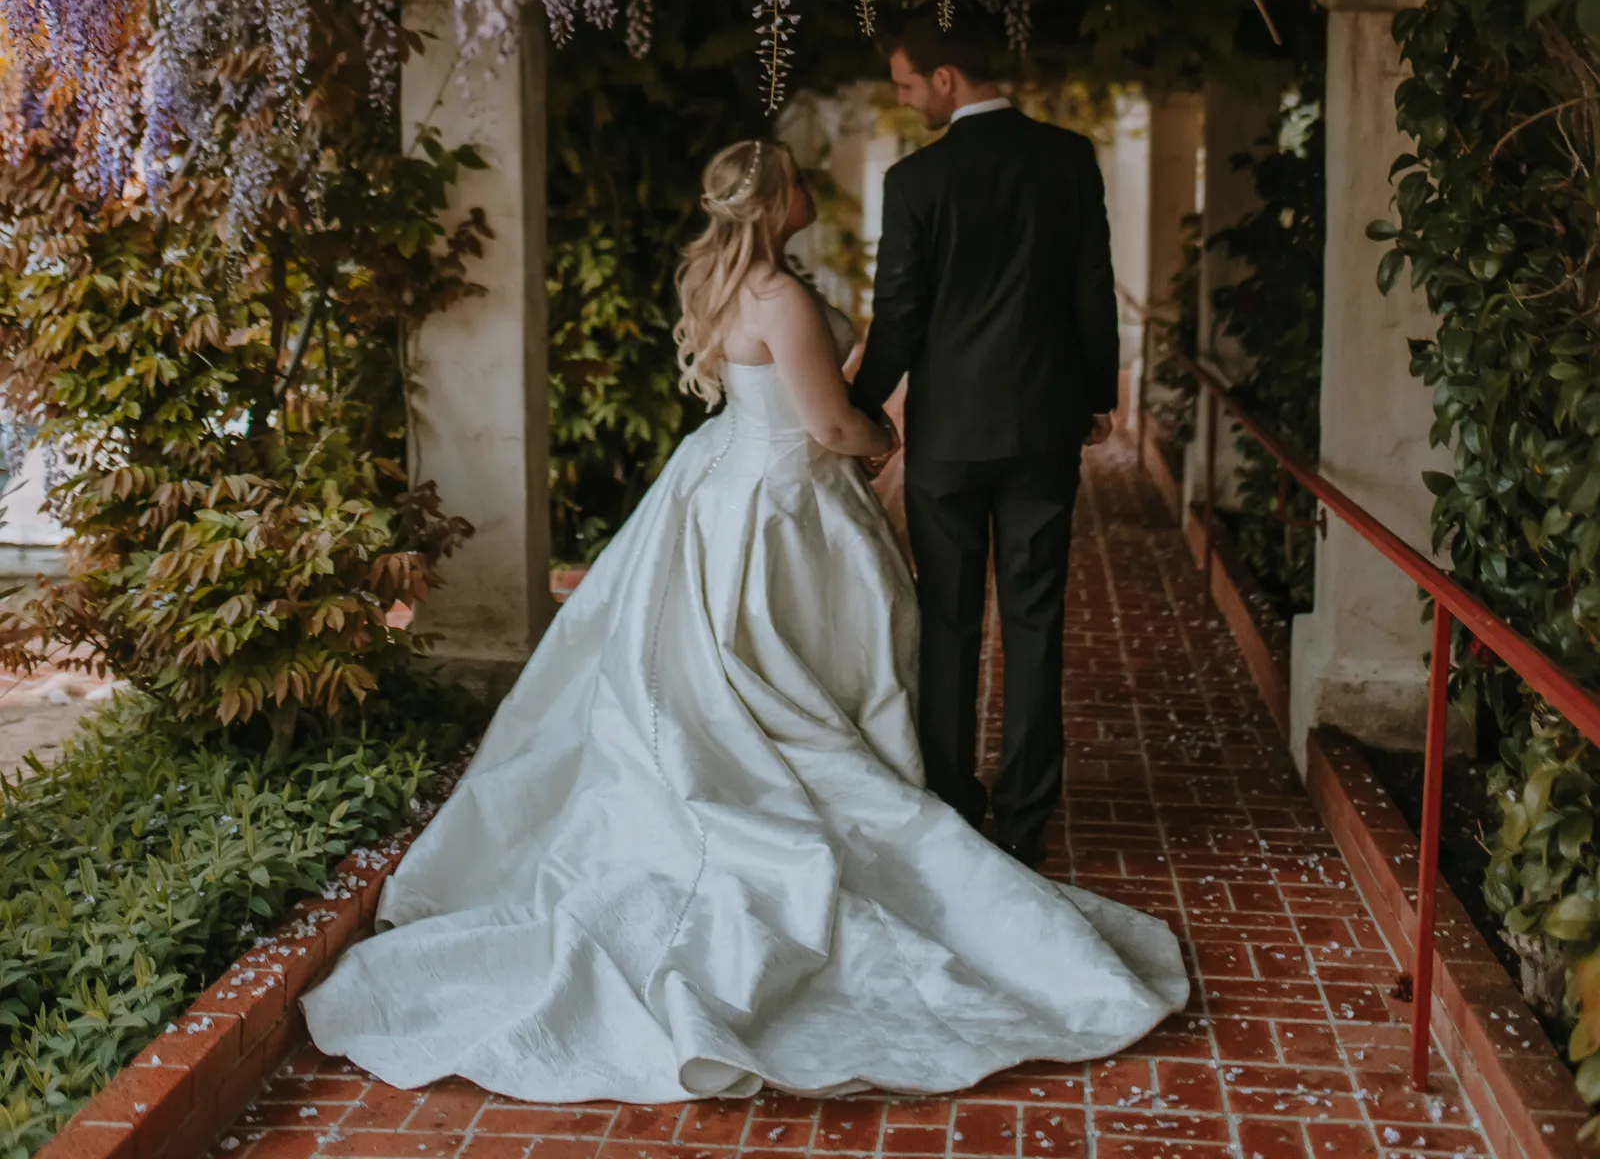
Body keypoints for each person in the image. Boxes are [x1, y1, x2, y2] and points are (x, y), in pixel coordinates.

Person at [302, 138, 1184, 1101]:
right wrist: (884, 439)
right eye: (801, 181)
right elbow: (830, 424)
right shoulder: (784, 300)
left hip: (720, 483)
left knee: (739, 674)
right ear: (773, 204)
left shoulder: (733, 287)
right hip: (785, 505)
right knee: (810, 672)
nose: (812, 189)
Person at [851, 16, 1118, 870]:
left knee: (950, 620)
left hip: (950, 437)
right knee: (1037, 620)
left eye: (904, 82)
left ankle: (954, 799)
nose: (901, 97)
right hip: (1042, 428)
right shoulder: (1068, 159)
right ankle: (1026, 816)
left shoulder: (916, 181)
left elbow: (898, 315)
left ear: (947, 78)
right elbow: (1092, 288)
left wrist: (860, 412)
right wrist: (1098, 396)